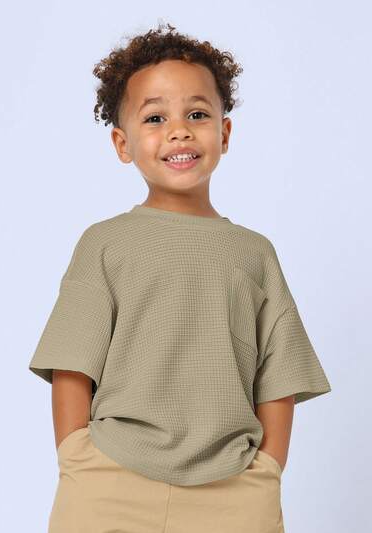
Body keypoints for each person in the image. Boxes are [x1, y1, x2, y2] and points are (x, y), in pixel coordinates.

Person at [28, 21, 332, 533]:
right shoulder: (104, 243)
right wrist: (76, 456)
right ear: (122, 143)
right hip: (109, 481)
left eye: (197, 114)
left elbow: (279, 376)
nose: (179, 131)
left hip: (233, 491)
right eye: (155, 117)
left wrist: (267, 471)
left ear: (224, 133)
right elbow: (71, 364)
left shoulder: (255, 253)